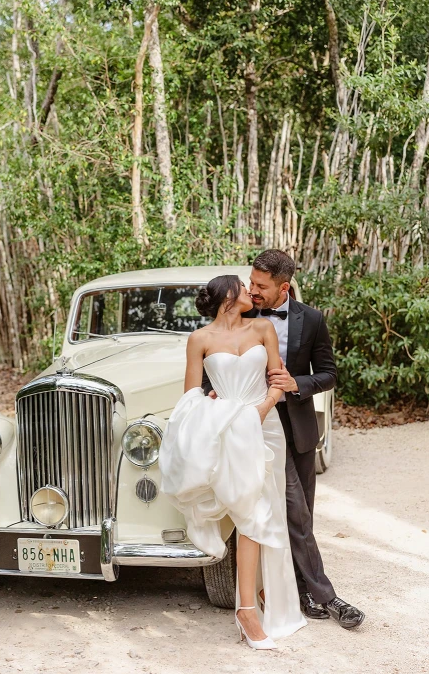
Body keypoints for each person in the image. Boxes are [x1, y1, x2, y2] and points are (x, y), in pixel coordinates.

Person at [205, 249, 365, 630]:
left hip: (296, 430)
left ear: (284, 287)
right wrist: (215, 393)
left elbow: (328, 374)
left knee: (301, 516)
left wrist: (298, 383)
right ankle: (325, 597)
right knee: (281, 513)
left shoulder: (311, 319)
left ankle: (303, 591)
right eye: (251, 283)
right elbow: (217, 361)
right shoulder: (241, 313)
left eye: (261, 286)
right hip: (251, 430)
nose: (252, 291)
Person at [159, 275, 307, 650]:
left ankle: (257, 595)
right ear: (227, 295)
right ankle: (246, 610)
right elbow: (191, 394)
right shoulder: (201, 339)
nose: (250, 292)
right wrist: (214, 410)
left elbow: (277, 379)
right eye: (243, 287)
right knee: (250, 511)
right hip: (226, 427)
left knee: (263, 510)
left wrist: (262, 408)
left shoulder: (263, 327)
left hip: (264, 423)